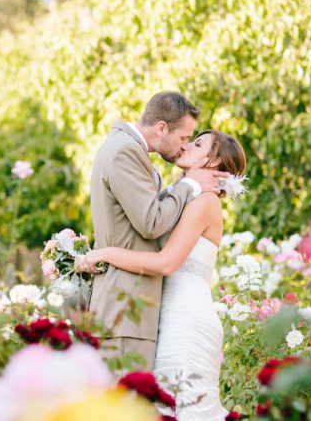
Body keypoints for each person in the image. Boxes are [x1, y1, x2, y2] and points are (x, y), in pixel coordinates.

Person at [82, 129, 247, 420]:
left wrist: (105, 253)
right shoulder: (180, 194)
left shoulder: (205, 204)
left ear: (213, 161)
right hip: (166, 317)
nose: (185, 146)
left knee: (178, 408)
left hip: (186, 322)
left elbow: (165, 263)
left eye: (196, 144)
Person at [87, 91, 228, 373]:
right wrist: (188, 184)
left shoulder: (125, 148)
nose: (184, 146)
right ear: (161, 127)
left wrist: (184, 185)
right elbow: (151, 223)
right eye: (185, 138)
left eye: (193, 142)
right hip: (126, 308)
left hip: (138, 311)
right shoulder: (126, 150)